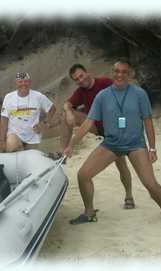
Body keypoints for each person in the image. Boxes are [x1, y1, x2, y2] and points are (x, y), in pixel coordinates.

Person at [63, 59, 161, 225]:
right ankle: (89, 213)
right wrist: (71, 145)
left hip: (136, 145)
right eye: (117, 71)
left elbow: (147, 121)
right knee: (83, 175)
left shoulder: (139, 94)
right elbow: (88, 123)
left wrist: (152, 148)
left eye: (124, 72)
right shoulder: (102, 96)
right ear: (113, 73)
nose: (120, 75)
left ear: (129, 74)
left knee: (150, 184)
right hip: (111, 144)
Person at [60, 64, 135, 209]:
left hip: (116, 130)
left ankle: (129, 195)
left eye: (81, 76)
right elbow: (67, 103)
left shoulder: (105, 83)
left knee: (121, 164)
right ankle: (62, 152)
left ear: (88, 73)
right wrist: (68, 111)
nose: (80, 80)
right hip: (97, 128)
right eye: (76, 79)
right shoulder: (81, 92)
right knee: (66, 115)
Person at [0, 72, 56, 152]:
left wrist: (43, 124)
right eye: (20, 82)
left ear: (30, 82)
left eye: (26, 81)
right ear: (16, 83)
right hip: (14, 134)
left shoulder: (38, 96)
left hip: (33, 136)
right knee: (11, 145)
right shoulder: (8, 97)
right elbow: (4, 119)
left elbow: (52, 109)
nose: (23, 84)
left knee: (31, 157)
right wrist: (2, 141)